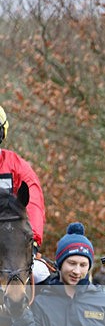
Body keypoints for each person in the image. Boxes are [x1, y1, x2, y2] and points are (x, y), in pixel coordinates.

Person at [0, 104, 49, 283]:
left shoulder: (16, 165)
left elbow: (34, 201)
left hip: (12, 246)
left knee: (42, 273)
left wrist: (33, 239)